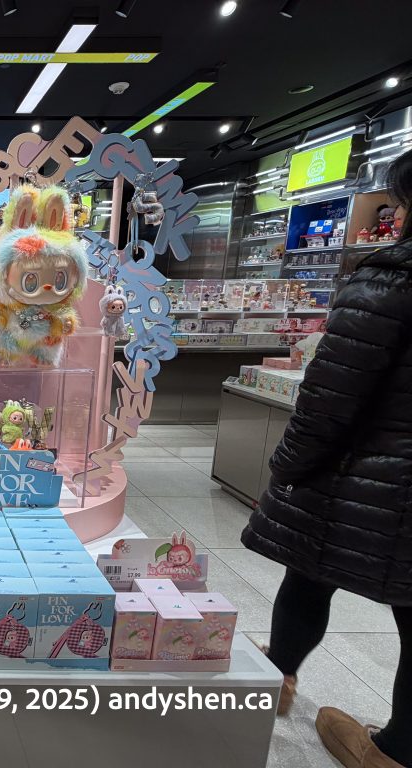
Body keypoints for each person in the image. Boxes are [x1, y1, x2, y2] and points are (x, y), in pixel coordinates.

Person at [242, 149, 412, 768]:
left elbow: (330, 397)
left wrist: (288, 466)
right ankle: (399, 747)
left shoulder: (388, 283)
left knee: (310, 571)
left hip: (362, 475)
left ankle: (279, 679)